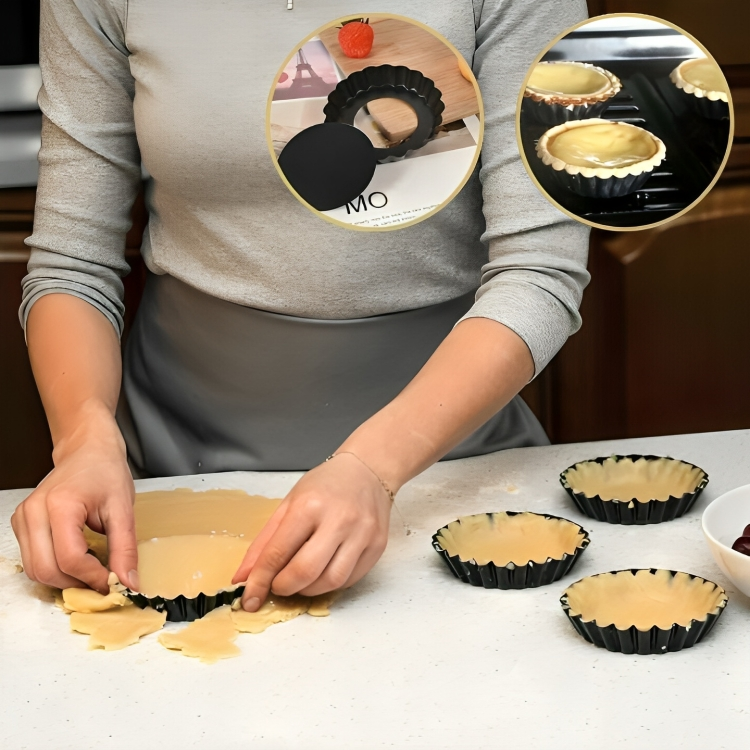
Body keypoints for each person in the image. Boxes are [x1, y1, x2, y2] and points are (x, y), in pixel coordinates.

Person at [11, 0, 590, 612]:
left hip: (446, 474)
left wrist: (374, 467)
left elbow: (540, 269)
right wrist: (82, 441)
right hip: (173, 468)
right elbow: (73, 262)